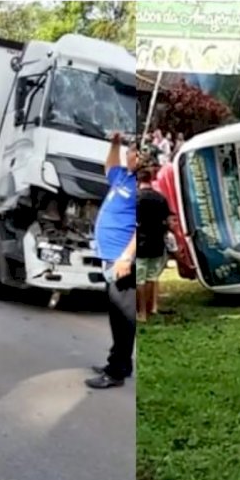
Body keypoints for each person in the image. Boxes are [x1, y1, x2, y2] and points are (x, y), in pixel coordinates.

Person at [85, 132, 138, 389]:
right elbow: (109, 167)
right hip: (111, 258)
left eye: (134, 152)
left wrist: (126, 257)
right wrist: (115, 144)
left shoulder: (140, 185)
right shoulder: (123, 176)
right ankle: (121, 363)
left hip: (121, 261)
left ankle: (115, 372)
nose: (129, 155)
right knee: (117, 316)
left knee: (123, 319)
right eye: (129, 151)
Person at [135, 167, 171, 323]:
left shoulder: (135, 199)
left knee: (139, 280)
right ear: (151, 180)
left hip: (140, 243)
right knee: (151, 277)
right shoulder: (161, 198)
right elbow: (168, 221)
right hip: (157, 243)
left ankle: (141, 312)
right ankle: (150, 309)